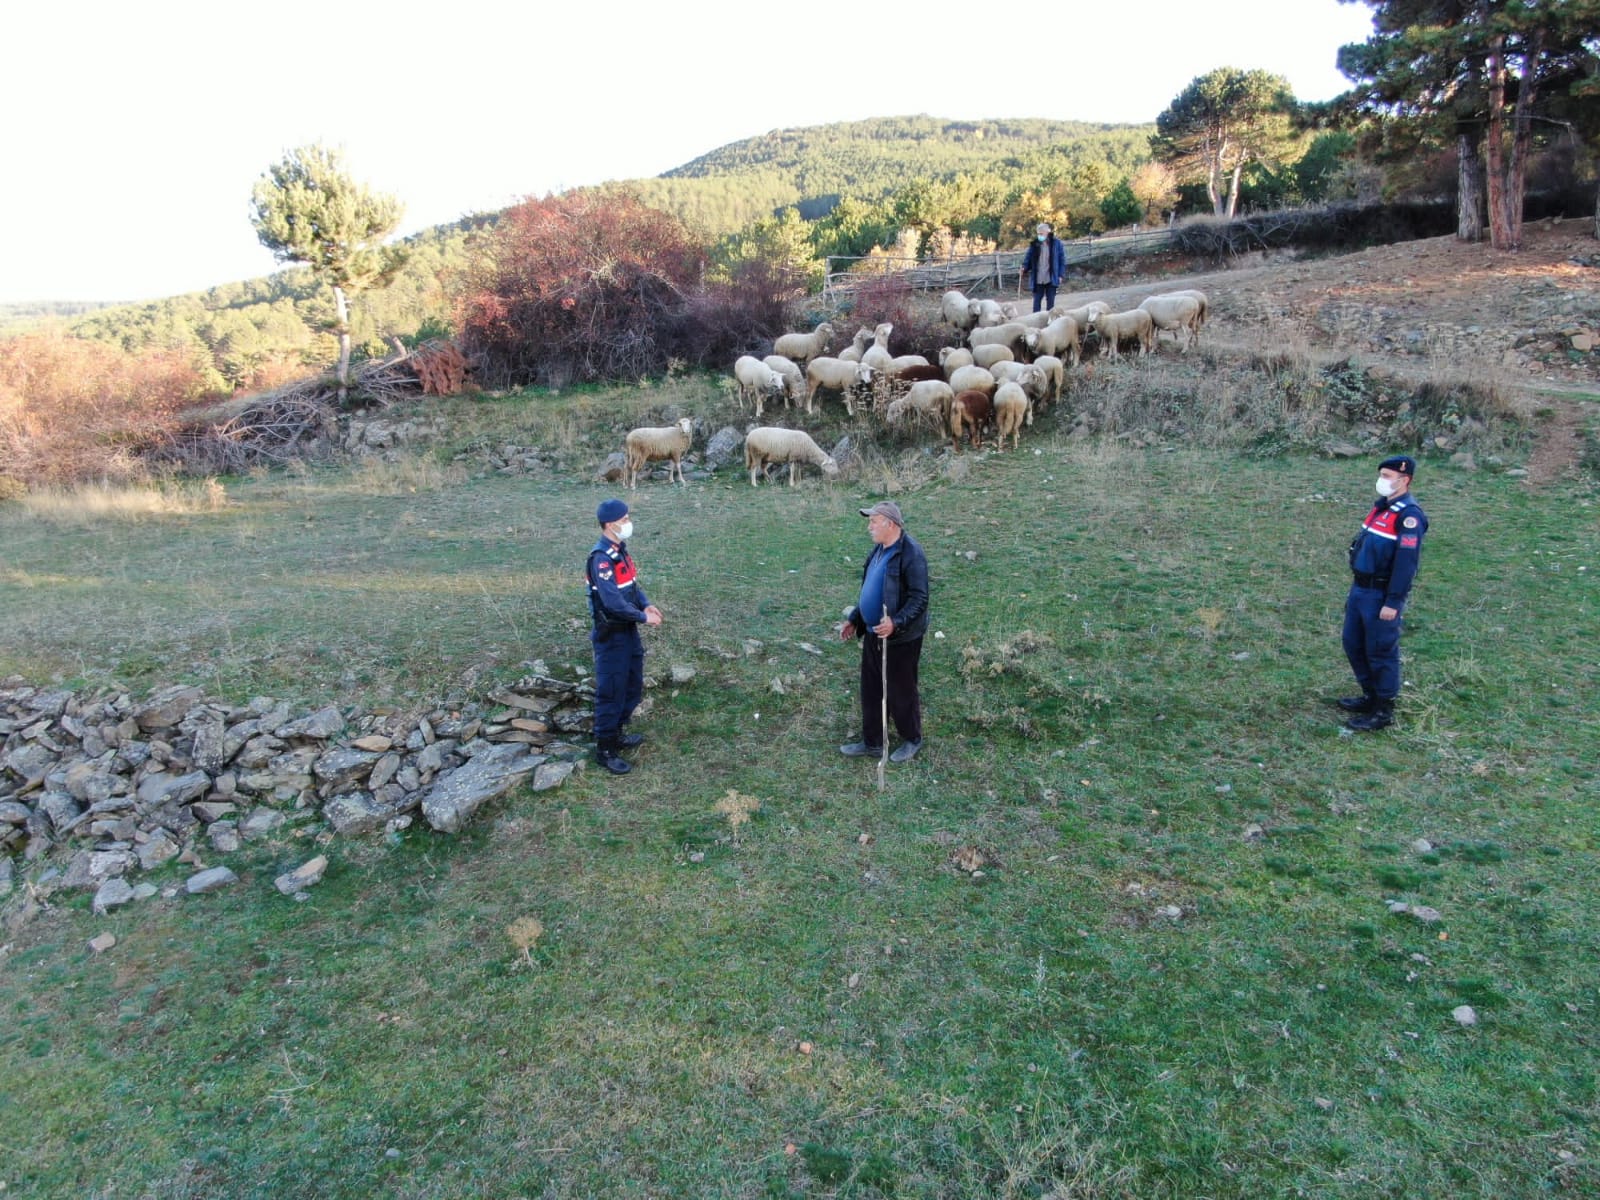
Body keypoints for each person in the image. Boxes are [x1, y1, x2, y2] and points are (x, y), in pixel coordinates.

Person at [1339, 456, 1428, 731]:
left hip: (1380, 594)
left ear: (1405, 480)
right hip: (1361, 590)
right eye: (1382, 474)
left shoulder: (1409, 516)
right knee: (1353, 643)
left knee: (1380, 651)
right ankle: (1370, 695)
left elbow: (1405, 565)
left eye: (1388, 476)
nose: (1383, 480)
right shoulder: (1382, 509)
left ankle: (1383, 710)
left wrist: (1393, 601)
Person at [838, 500, 930, 762]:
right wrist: (856, 617)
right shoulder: (878, 550)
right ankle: (873, 742)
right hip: (873, 632)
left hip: (901, 638)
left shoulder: (911, 554)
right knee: (872, 689)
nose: (869, 527)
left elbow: (919, 598)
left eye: (873, 521)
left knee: (901, 690)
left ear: (890, 524)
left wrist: (896, 622)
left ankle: (912, 738)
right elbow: (871, 588)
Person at [585, 498, 662, 774]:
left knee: (631, 684)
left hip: (627, 631)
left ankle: (616, 733)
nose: (628, 522)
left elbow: (631, 585)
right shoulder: (601, 559)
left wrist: (645, 604)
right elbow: (613, 602)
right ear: (610, 524)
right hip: (611, 636)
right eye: (624, 518)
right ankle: (605, 749)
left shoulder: (620, 551)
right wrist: (644, 618)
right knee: (611, 692)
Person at [1019, 221, 1067, 313]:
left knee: (1050, 304)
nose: (1039, 236)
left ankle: (1050, 324)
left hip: (1051, 277)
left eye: (1041, 233)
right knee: (1036, 303)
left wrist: (1060, 275)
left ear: (1047, 233)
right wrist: (1024, 268)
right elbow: (1028, 259)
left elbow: (1062, 260)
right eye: (1038, 234)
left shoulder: (1057, 244)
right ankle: (1036, 323)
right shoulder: (1034, 245)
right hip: (1038, 278)